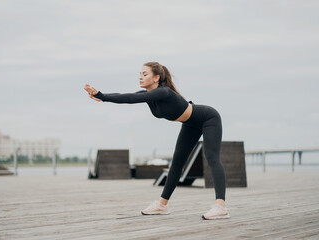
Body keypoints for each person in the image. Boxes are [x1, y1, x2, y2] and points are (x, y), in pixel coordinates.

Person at [84, 62, 230, 220]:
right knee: (177, 162)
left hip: (208, 118)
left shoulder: (163, 92)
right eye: (139, 74)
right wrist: (101, 96)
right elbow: (125, 96)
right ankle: (162, 205)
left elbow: (132, 98)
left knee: (212, 158)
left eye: (145, 74)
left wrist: (102, 96)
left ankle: (220, 207)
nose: (140, 77)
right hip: (190, 124)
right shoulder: (148, 95)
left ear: (156, 78)